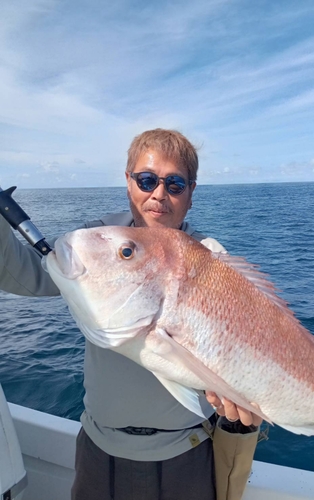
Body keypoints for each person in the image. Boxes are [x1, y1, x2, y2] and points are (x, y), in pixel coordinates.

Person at [0, 129, 261, 500]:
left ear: (191, 193)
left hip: (185, 455)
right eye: (147, 180)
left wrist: (250, 400)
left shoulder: (212, 262)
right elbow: (26, 275)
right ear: (128, 181)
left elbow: (253, 347)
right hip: (98, 451)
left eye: (174, 184)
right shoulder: (96, 242)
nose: (159, 194)